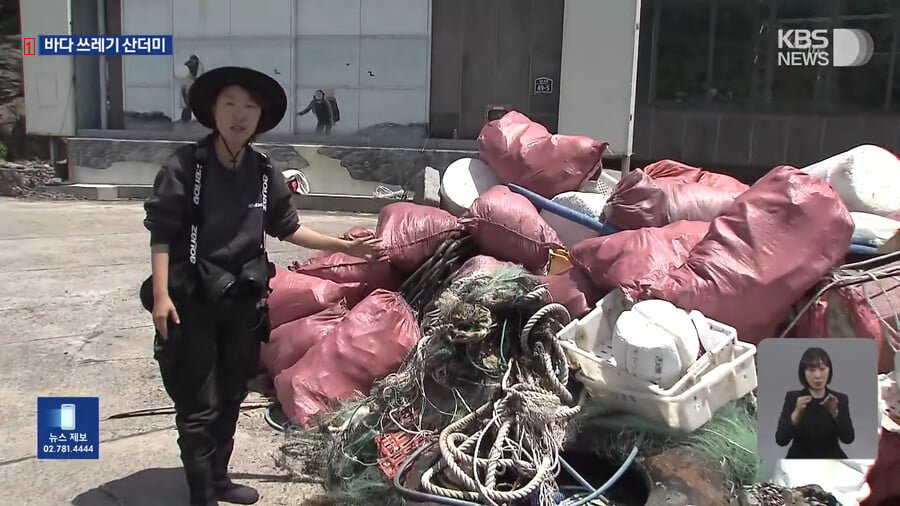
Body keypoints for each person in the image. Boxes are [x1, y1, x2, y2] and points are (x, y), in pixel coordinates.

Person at [142, 66, 383, 506]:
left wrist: (349, 248)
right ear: (212, 110)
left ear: (260, 116)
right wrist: (161, 296)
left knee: (233, 391)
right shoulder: (183, 167)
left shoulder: (262, 170)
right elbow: (161, 231)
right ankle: (201, 495)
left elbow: (289, 228)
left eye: (249, 107)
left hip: (241, 302)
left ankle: (218, 477)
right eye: (230, 104)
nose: (239, 115)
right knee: (198, 402)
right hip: (191, 301)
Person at [775, 347, 855, 459]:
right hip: (799, 461)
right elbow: (781, 440)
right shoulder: (793, 398)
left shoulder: (840, 399)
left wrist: (835, 413)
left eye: (822, 369)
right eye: (812, 370)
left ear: (829, 370)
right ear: (803, 372)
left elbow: (848, 438)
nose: (817, 375)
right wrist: (796, 414)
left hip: (831, 462)